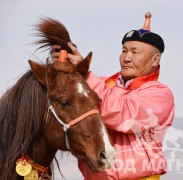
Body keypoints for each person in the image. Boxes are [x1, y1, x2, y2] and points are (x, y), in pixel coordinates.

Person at [52, 12, 174, 180]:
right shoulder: (101, 84)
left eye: (135, 52)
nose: (127, 58)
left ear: (155, 60)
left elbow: (122, 114)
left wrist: (84, 75)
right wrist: (65, 67)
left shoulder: (160, 94)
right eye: (124, 51)